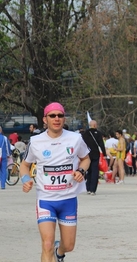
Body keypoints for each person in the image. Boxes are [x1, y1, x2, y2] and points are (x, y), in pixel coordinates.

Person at [19, 102, 90, 261]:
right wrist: (26, 179)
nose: (56, 118)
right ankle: (53, 251)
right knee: (47, 243)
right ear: (45, 119)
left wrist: (81, 171)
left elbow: (86, 159)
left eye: (60, 115)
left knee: (69, 245)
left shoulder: (75, 138)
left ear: (64, 119)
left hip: (68, 199)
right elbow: (24, 165)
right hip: (46, 200)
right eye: (52, 115)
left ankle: (60, 252)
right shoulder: (36, 141)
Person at [82, 120, 107, 195]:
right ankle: (93, 189)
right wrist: (104, 154)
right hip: (95, 154)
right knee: (95, 172)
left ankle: (88, 188)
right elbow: (101, 144)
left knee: (88, 171)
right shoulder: (98, 133)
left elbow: (82, 144)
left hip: (87, 154)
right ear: (95, 125)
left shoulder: (85, 133)